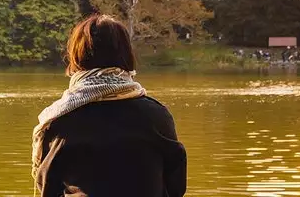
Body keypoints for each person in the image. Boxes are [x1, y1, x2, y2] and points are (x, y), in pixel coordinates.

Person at [32, 14, 186, 197]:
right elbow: (176, 185)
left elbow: (48, 188)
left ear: (77, 56)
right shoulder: (156, 116)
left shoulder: (59, 119)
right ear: (126, 54)